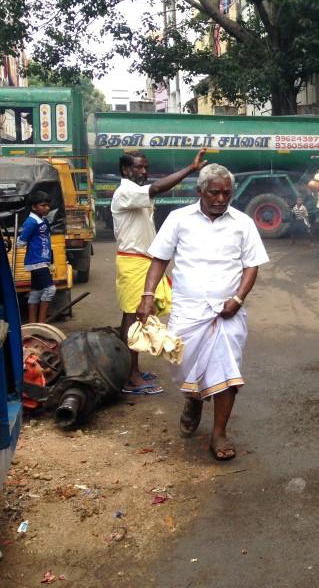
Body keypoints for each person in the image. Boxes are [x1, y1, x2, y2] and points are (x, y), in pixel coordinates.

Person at [136, 164, 269, 461]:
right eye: (214, 193)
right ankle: (193, 399)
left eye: (227, 193)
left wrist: (238, 297)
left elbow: (252, 264)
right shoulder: (178, 219)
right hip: (187, 312)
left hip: (227, 313)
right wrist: (147, 295)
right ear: (200, 191)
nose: (221, 199)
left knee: (228, 372)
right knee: (183, 367)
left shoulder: (243, 222)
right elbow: (159, 258)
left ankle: (219, 433)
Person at [112, 148, 207, 394]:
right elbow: (156, 188)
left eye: (145, 167)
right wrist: (191, 169)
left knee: (132, 318)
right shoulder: (126, 191)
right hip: (133, 262)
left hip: (140, 260)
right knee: (134, 319)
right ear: (125, 170)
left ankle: (130, 370)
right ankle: (130, 377)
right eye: (138, 167)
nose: (144, 171)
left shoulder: (132, 192)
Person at [17, 191, 55, 324]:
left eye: (48, 205)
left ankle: (33, 325)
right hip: (36, 261)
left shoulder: (42, 220)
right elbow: (21, 243)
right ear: (34, 207)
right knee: (50, 290)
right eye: (43, 205)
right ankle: (41, 324)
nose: (47, 208)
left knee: (36, 292)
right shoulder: (31, 222)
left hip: (43, 260)